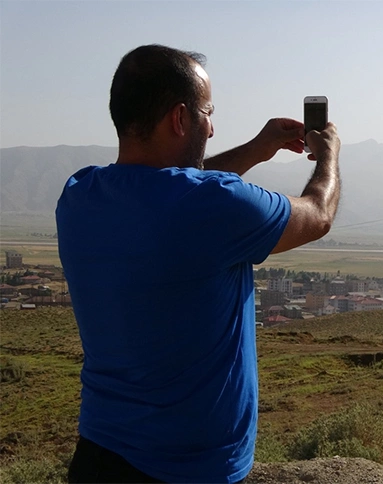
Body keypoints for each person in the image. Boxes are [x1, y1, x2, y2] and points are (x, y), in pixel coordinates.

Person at [56, 44, 340, 483]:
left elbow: (173, 187)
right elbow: (317, 214)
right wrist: (330, 157)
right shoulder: (214, 204)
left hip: (98, 456)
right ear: (179, 117)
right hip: (188, 470)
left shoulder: (79, 195)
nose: (211, 129)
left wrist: (256, 149)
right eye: (207, 113)